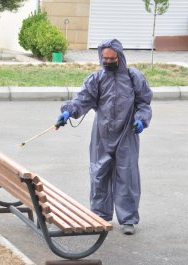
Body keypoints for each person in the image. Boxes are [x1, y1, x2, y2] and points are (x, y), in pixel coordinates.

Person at [55, 39, 152, 235]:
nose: (107, 62)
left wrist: (141, 119)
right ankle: (100, 215)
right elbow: (83, 99)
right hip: (102, 134)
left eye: (111, 58)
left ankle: (128, 219)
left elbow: (144, 103)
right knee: (99, 174)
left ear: (120, 57)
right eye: (104, 58)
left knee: (127, 175)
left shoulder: (133, 77)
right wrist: (68, 112)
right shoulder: (97, 79)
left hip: (127, 133)